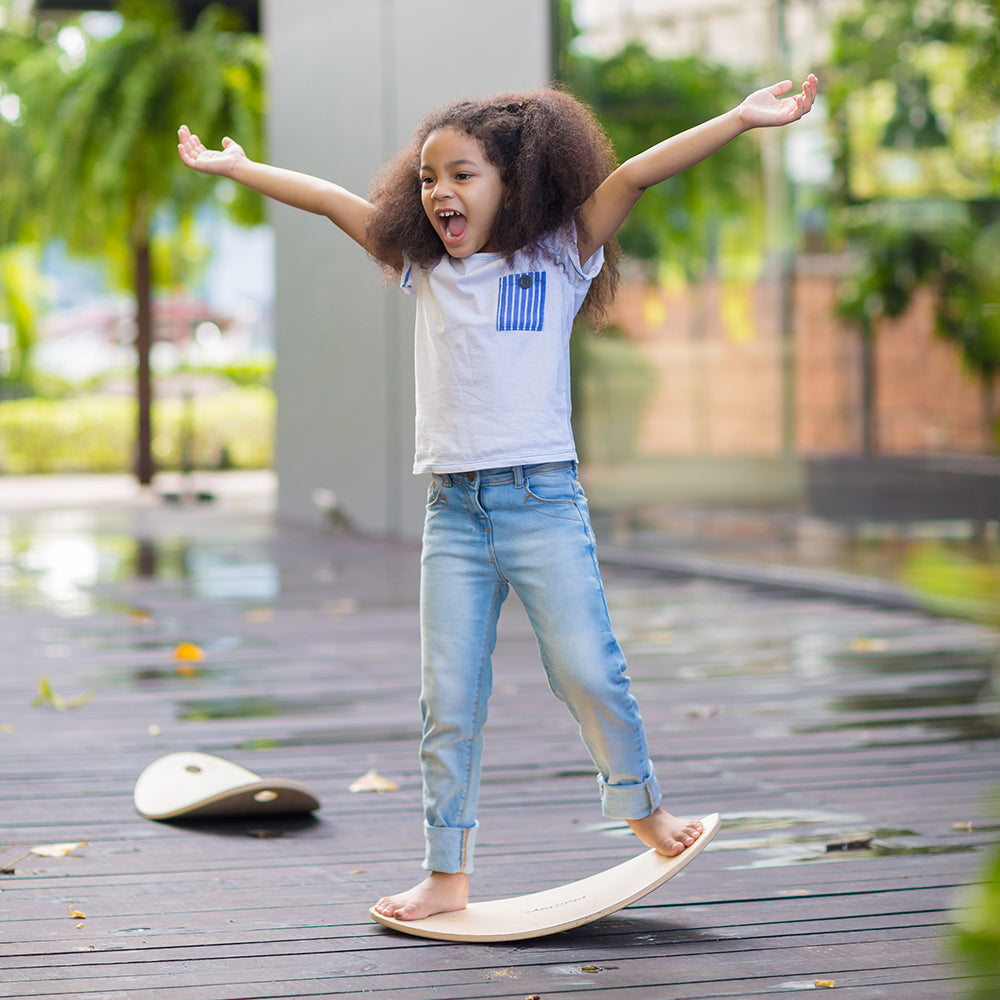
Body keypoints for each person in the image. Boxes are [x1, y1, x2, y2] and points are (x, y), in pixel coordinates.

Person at [178, 72, 818, 922]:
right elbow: (333, 200)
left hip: (542, 503)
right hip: (455, 514)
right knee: (449, 700)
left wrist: (740, 119)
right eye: (427, 179)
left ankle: (643, 809)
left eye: (463, 174)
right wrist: (240, 169)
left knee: (589, 670)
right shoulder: (426, 268)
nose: (440, 191)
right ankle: (447, 874)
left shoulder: (558, 254)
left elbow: (634, 177)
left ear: (513, 181)